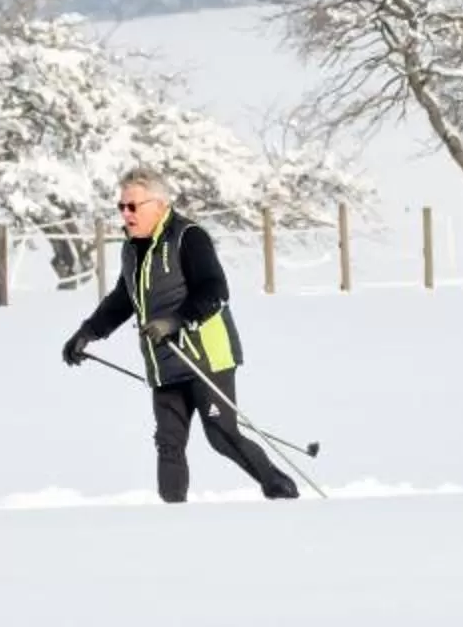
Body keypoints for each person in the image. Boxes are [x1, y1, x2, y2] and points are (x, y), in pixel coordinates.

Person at [61, 168, 300, 503]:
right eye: (121, 206)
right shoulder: (132, 248)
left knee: (221, 435)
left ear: (159, 204)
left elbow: (215, 290)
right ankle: (173, 519)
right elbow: (123, 297)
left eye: (133, 206)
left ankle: (279, 487)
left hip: (205, 355)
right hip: (164, 360)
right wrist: (87, 333)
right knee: (169, 442)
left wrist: (175, 321)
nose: (126, 213)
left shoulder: (188, 236)